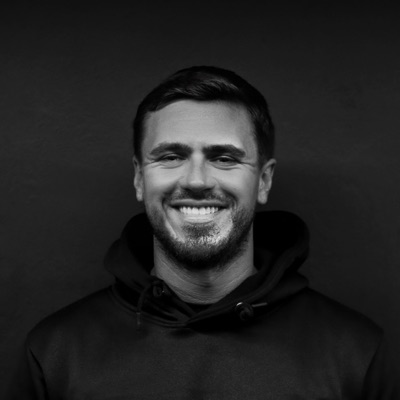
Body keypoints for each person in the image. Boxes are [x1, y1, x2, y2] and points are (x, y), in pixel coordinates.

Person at [10, 66, 398, 399]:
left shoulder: (356, 354)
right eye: (171, 156)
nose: (196, 181)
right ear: (139, 178)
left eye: (224, 158)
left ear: (263, 181)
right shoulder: (56, 354)